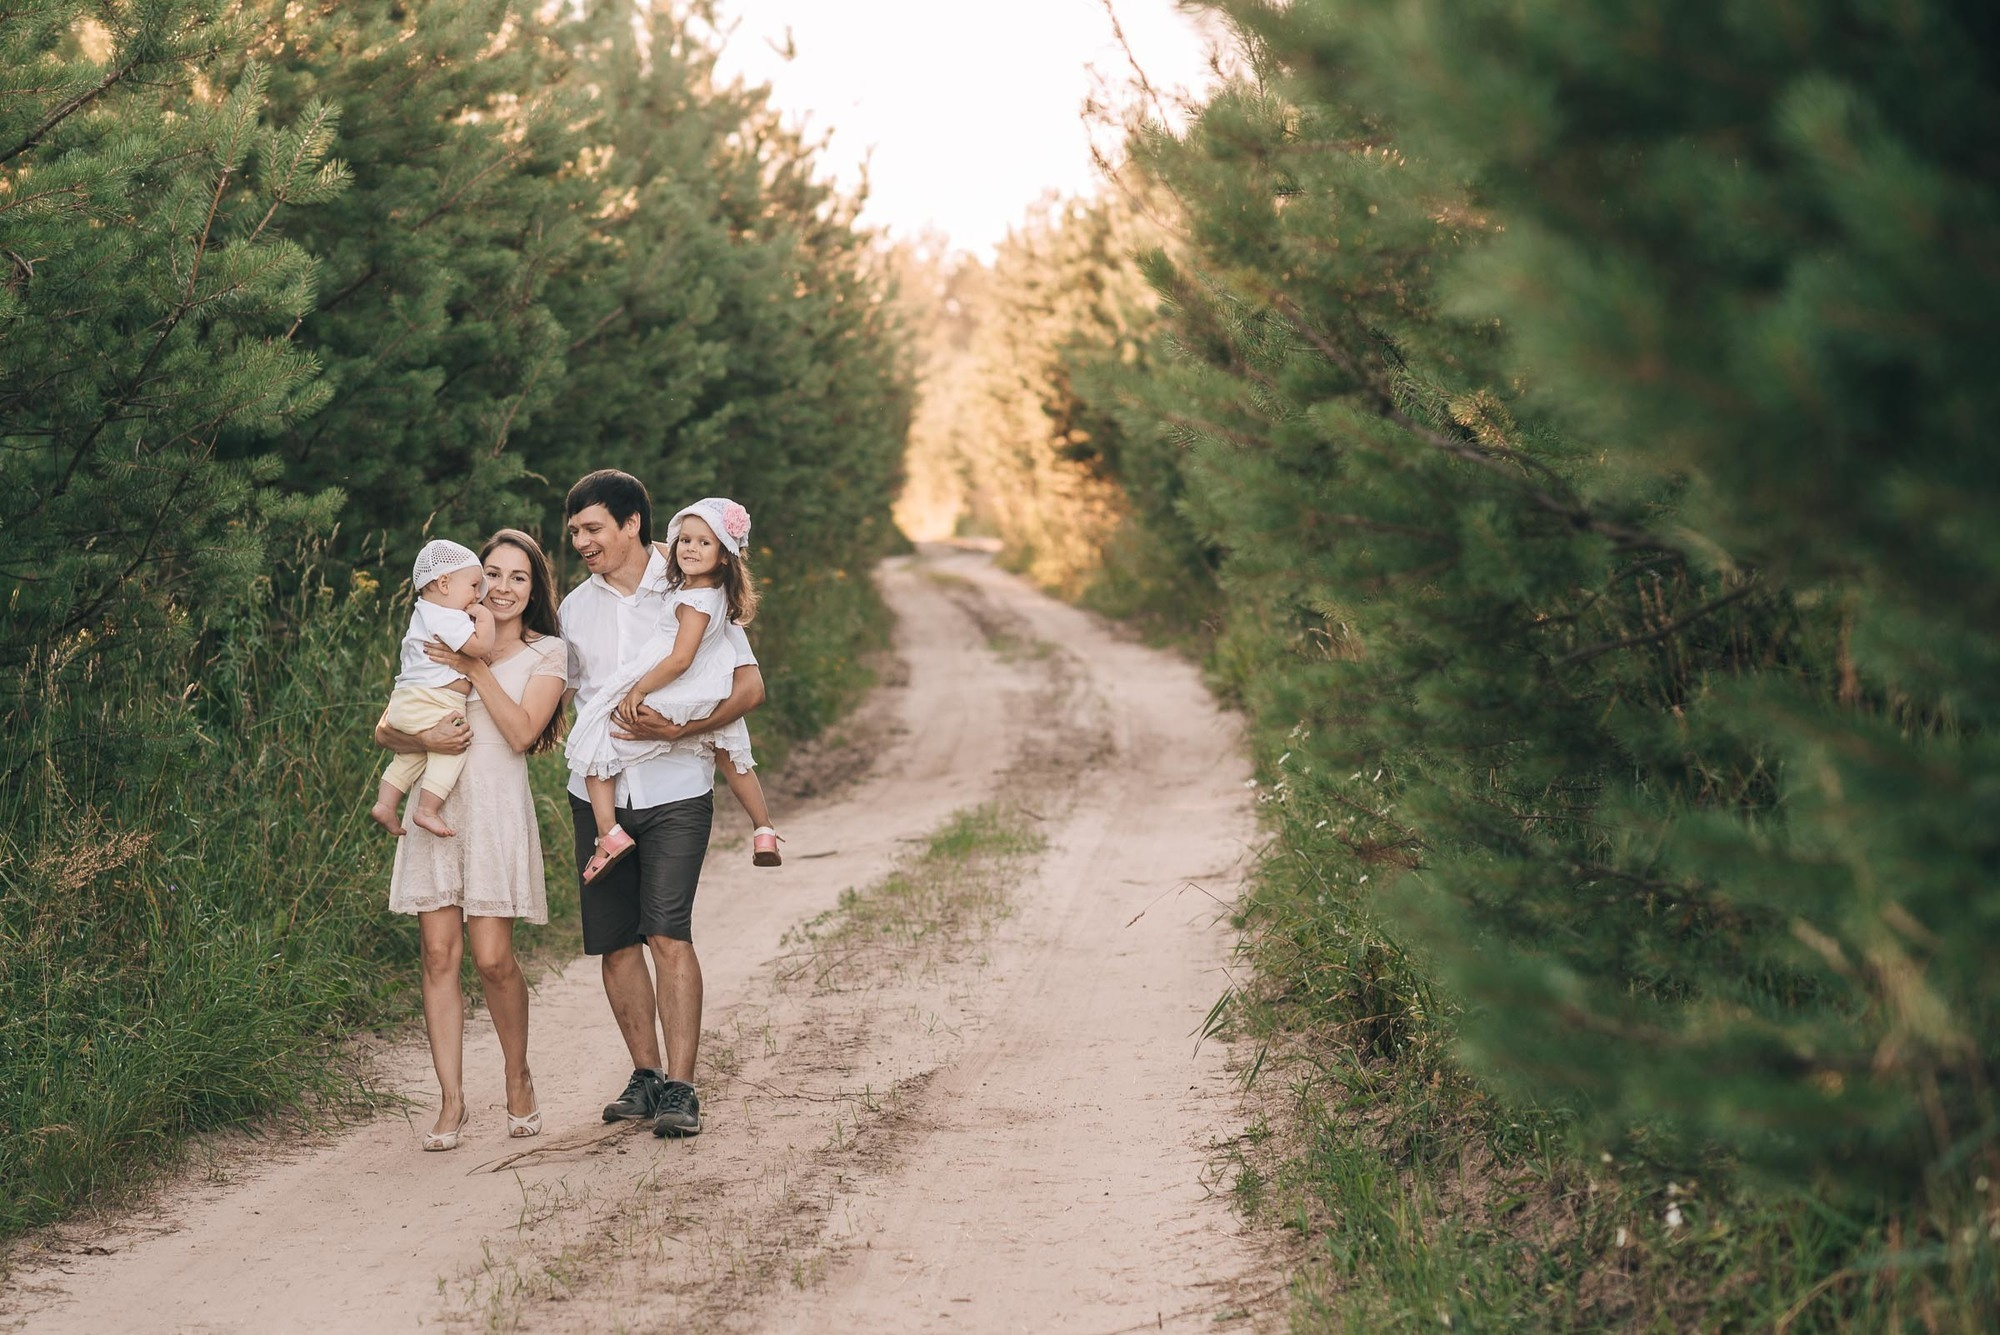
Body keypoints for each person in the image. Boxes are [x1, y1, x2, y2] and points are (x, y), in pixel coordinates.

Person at [560, 470, 767, 1139]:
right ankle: (645, 1076)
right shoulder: (573, 609)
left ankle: (682, 1087)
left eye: (592, 528)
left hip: (676, 789)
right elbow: (561, 693)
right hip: (598, 794)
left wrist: (683, 730)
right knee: (615, 943)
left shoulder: (691, 585)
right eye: (574, 531)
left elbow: (749, 688)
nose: (580, 542)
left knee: (668, 932)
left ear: (631, 524)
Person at [374, 529, 569, 1151]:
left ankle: (518, 1075)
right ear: (473, 579)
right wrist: (424, 740)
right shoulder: (443, 627)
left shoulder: (547, 654)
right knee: (438, 955)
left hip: (492, 810)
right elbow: (388, 727)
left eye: (518, 577)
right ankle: (451, 1101)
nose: (502, 588)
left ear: (534, 588)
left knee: (491, 958)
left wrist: (474, 667)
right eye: (493, 574)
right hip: (437, 802)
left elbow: (521, 733)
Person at [567, 495, 782, 882]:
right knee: (731, 754)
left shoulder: (692, 600)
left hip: (671, 681)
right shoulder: (714, 593)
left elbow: (680, 659)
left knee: (596, 731)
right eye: (685, 540)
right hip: (706, 685)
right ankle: (763, 828)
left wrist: (638, 690)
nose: (689, 548)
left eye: (703, 543)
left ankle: (608, 832)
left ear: (724, 555)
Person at [371, 539, 495, 838]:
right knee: (453, 747)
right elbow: (479, 647)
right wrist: (485, 618)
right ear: (444, 583)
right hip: (435, 701)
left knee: (411, 756)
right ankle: (427, 809)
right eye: (474, 586)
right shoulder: (447, 616)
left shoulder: (425, 612)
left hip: (408, 701)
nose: (478, 596)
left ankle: (385, 804)